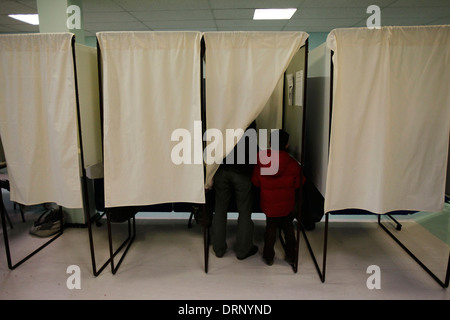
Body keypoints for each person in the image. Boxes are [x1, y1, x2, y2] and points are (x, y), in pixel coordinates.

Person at [251, 129, 303, 266]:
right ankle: (291, 256)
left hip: (269, 204)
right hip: (287, 205)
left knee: (270, 229)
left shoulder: (261, 160)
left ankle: (269, 257)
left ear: (269, 143)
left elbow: (255, 182)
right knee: (288, 228)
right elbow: (299, 183)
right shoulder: (292, 164)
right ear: (286, 145)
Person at [212, 122, 258, 260]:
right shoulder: (249, 117)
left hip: (222, 168)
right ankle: (243, 250)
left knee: (219, 210)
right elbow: (251, 148)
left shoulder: (222, 115)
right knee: (244, 211)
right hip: (242, 172)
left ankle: (218, 249)